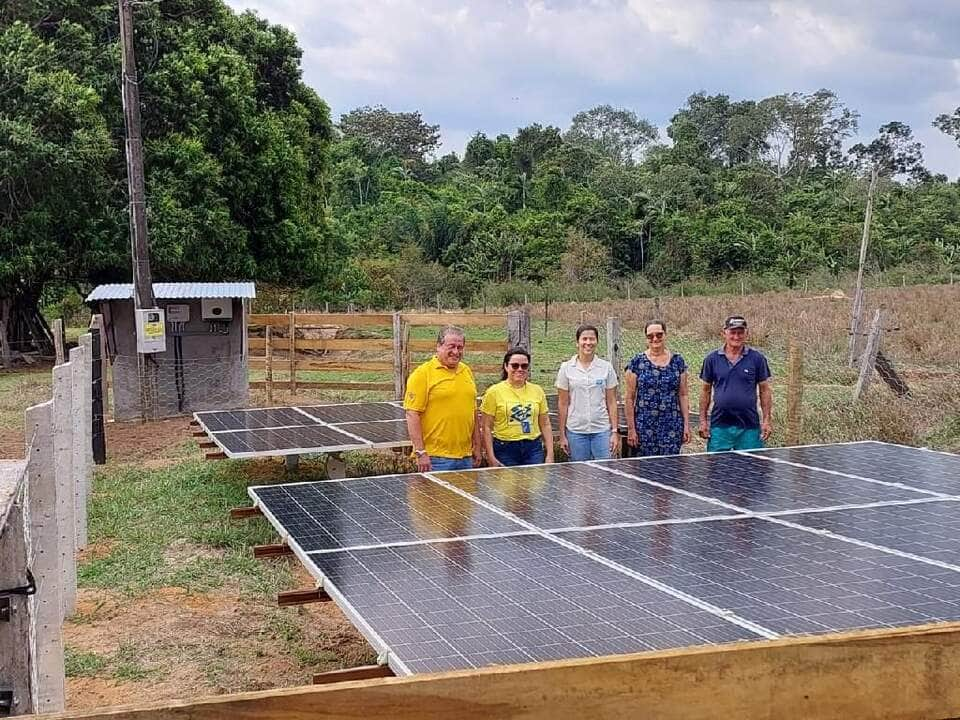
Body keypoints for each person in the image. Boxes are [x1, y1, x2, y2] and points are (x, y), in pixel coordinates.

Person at [404, 325, 483, 472]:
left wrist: (477, 446)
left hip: (465, 457)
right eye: (451, 346)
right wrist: (420, 452)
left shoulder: (466, 371)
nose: (456, 352)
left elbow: (473, 412)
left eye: (460, 347)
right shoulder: (422, 374)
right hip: (435, 458)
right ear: (438, 346)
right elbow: (412, 414)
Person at [698, 315, 773, 451]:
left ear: (746, 334)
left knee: (751, 467)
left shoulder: (757, 359)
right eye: (733, 332)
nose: (736, 337)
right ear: (724, 333)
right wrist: (703, 421)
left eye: (740, 333)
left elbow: (764, 390)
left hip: (749, 426)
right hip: (720, 426)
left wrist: (767, 420)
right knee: (718, 469)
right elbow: (705, 390)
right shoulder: (712, 359)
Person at [624, 320, 690, 457]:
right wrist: (631, 429)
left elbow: (683, 395)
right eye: (650, 336)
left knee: (670, 469)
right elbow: (629, 398)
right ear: (646, 338)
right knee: (646, 470)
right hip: (644, 426)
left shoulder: (678, 362)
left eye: (659, 335)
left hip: (672, 425)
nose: (655, 339)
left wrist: (686, 425)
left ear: (665, 335)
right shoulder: (637, 362)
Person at [555, 324, 619, 461]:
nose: (588, 343)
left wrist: (614, 432)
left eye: (592, 339)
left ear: (597, 342)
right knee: (579, 476)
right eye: (584, 339)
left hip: (601, 430)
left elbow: (612, 401)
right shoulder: (566, 368)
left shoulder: (606, 368)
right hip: (576, 432)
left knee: (605, 473)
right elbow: (563, 403)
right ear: (577, 342)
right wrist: (562, 435)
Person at [480, 347, 554, 467]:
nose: (520, 369)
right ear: (506, 366)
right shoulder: (493, 392)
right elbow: (486, 427)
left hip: (533, 448)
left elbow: (545, 423)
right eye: (514, 366)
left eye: (524, 366)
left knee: (535, 484)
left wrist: (550, 454)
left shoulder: (537, 390)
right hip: (505, 448)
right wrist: (491, 457)